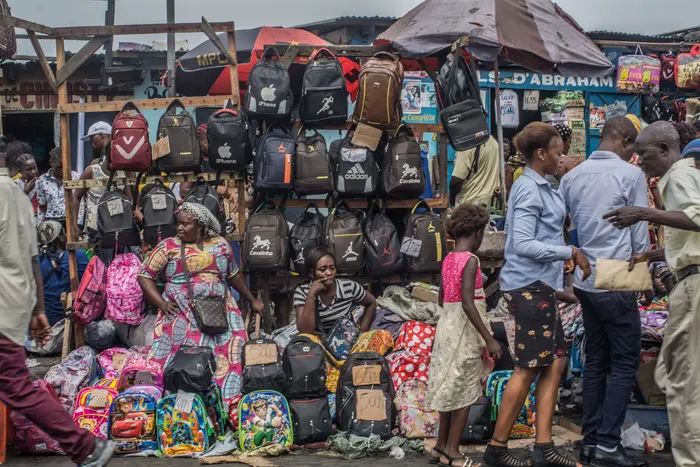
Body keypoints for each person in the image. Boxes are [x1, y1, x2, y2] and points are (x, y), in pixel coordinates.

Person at [0, 151, 116, 466]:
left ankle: (85, 446)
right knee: (16, 385)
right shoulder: (18, 197)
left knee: (17, 386)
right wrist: (37, 309)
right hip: (12, 306)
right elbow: (33, 258)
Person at [485, 122, 590, 467]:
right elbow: (523, 244)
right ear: (541, 154)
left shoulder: (546, 185)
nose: (562, 158)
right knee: (529, 366)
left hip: (541, 286)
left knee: (555, 361)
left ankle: (543, 447)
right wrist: (567, 252)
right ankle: (497, 449)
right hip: (528, 286)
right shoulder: (530, 189)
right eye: (558, 152)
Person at [604, 122, 700, 467]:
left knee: (682, 379)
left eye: (643, 155)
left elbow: (697, 217)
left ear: (664, 149)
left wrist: (643, 213)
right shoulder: (686, 172)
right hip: (689, 278)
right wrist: (654, 254)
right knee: (681, 373)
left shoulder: (677, 175)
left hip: (693, 285)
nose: (639, 162)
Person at [559, 117, 648, 467]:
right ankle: (609, 444)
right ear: (624, 141)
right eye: (634, 149)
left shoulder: (571, 176)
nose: (635, 156)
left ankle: (591, 442)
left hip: (586, 280)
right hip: (618, 276)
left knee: (597, 361)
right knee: (625, 361)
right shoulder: (631, 175)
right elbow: (639, 236)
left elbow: (566, 228)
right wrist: (643, 275)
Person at [138, 202, 264, 404]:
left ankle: (225, 404)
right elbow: (144, 276)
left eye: (185, 224)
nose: (179, 228)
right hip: (182, 313)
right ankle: (180, 405)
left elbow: (233, 275)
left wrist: (252, 300)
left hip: (219, 310)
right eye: (178, 223)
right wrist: (161, 303)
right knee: (184, 358)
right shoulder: (168, 246)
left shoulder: (221, 244)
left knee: (232, 349)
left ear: (201, 226)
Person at [427, 203, 502, 467]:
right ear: (478, 233)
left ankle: (439, 446)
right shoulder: (471, 261)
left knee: (450, 386)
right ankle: (453, 452)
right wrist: (489, 339)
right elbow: (469, 303)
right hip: (465, 331)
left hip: (447, 326)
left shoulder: (448, 259)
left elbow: (441, 298)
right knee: (464, 391)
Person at [294, 247, 377, 334]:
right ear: (312, 273)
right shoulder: (302, 292)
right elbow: (305, 331)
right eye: (323, 269)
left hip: (345, 340)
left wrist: (362, 330)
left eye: (332, 268)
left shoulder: (348, 286)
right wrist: (311, 296)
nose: (329, 273)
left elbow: (371, 302)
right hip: (315, 342)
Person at [72, 122, 129, 242]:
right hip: (97, 230)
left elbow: (130, 198)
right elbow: (76, 197)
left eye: (92, 140)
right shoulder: (92, 169)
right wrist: (74, 225)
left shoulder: (124, 171)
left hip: (119, 228)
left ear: (102, 136)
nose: (91, 145)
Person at [37, 220, 90, 326]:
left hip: (51, 322)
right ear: (61, 237)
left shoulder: (38, 262)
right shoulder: (78, 255)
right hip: (79, 318)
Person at [449, 135, 501, 208]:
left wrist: (451, 200)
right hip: (488, 204)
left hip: (469, 205)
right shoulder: (494, 142)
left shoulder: (467, 144)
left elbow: (457, 180)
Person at [36, 147, 81, 225]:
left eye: (65, 166)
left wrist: (77, 225)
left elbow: (81, 204)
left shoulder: (75, 177)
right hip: (50, 222)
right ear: (51, 163)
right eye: (59, 167)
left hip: (70, 221)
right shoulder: (42, 180)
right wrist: (40, 226)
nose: (62, 170)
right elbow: (42, 207)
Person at [14, 153, 40, 217]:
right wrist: (26, 192)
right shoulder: (15, 185)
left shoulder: (41, 182)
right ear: (19, 171)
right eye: (29, 169)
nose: (33, 172)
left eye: (35, 168)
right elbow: (14, 208)